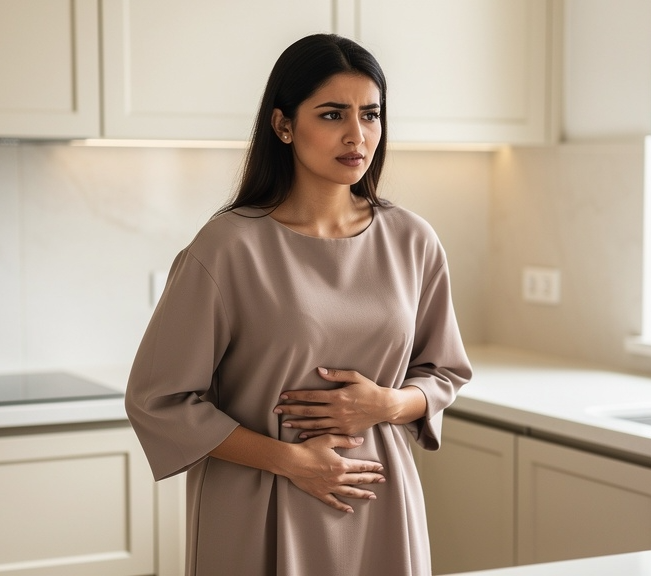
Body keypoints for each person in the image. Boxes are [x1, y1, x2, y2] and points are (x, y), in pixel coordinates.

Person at [125, 33, 472, 576]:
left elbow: (443, 371)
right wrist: (292, 462)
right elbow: (159, 398)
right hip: (259, 501)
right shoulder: (228, 247)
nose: (358, 135)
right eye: (333, 114)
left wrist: (388, 404)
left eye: (371, 114)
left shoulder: (413, 240)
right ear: (284, 125)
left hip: (381, 501)